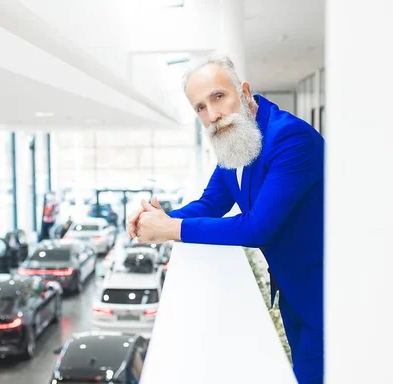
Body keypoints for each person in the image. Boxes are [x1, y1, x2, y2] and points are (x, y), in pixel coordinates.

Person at [127, 56, 324, 384]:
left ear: (244, 91)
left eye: (218, 97)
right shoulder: (237, 141)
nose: (212, 114)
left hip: (326, 299)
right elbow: (212, 202)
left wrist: (170, 229)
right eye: (200, 108)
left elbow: (256, 227)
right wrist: (158, 218)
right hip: (293, 295)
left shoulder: (291, 139)